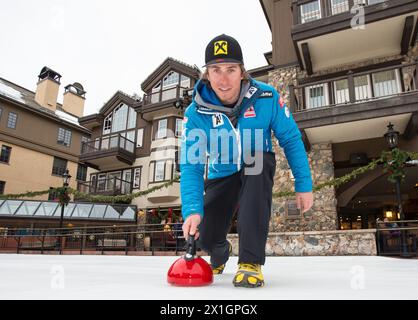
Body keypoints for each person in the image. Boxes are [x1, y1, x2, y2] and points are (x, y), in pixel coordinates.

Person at [180, 34, 313, 288]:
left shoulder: (267, 97)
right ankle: (220, 249)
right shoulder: (195, 113)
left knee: (257, 160)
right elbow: (192, 165)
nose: (223, 78)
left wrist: (303, 184)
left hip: (255, 166)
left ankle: (250, 262)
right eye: (215, 70)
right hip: (222, 174)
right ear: (206, 74)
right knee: (205, 235)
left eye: (231, 69)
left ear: (242, 72)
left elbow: (291, 139)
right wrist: (192, 210)